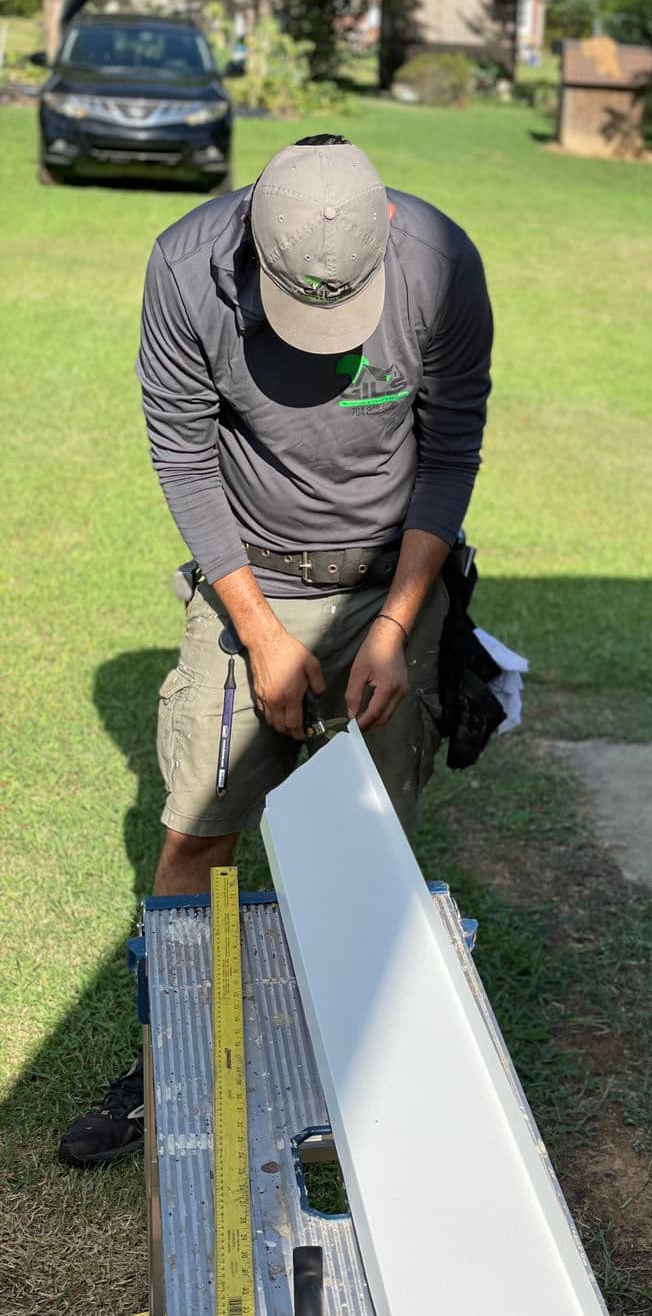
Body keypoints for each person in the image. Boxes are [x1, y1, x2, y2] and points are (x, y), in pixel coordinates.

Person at [58, 134, 493, 1167]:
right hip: (252, 574)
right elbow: (183, 449)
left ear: (384, 230)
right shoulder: (184, 264)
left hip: (394, 578)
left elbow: (451, 446)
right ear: (251, 236)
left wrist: (393, 625)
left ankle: (355, 1060)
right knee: (198, 826)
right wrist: (257, 633)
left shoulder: (440, 262)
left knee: (372, 840)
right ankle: (167, 1056)